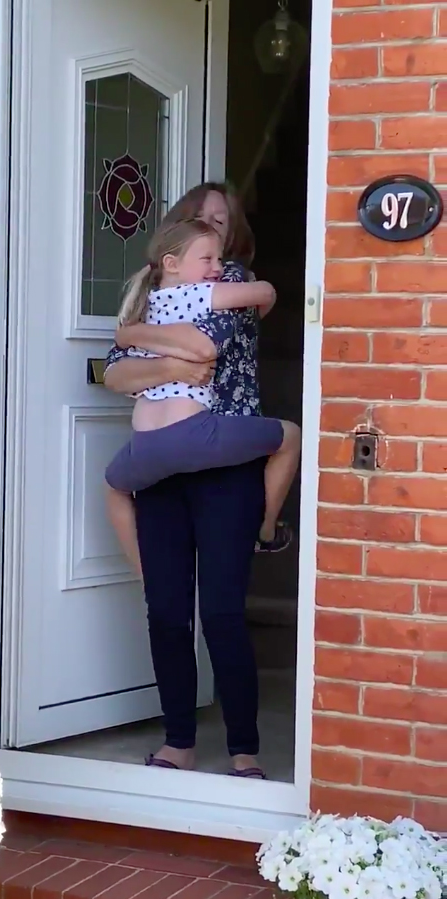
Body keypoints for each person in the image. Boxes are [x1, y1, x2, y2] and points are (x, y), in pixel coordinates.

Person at [104, 182, 300, 777]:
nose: (212, 236)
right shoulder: (156, 295)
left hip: (224, 462)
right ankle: (179, 741)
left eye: (220, 224)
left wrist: (142, 344)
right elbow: (117, 377)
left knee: (219, 613)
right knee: (165, 611)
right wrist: (152, 354)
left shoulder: (225, 291)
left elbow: (206, 351)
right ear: (176, 238)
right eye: (199, 223)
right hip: (165, 469)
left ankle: (244, 749)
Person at [105, 217, 295, 577]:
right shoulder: (198, 293)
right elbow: (264, 293)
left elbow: (118, 364)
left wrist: (129, 336)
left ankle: (145, 571)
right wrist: (252, 291)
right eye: (208, 259)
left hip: (143, 443)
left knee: (114, 487)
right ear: (172, 264)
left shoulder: (144, 306)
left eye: (221, 260)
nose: (219, 269)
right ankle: (266, 530)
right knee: (291, 437)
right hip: (193, 433)